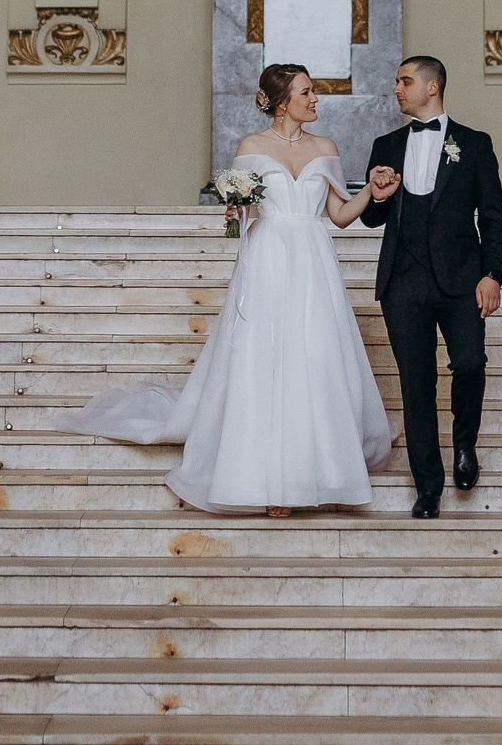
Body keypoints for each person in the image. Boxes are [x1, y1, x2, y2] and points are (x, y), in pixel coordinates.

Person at [64, 64, 392, 514]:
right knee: (267, 360)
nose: (315, 99)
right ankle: (272, 485)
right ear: (281, 101)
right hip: (268, 258)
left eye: (313, 91)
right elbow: (240, 221)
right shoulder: (251, 148)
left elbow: (337, 215)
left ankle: (320, 473)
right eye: (307, 92)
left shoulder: (325, 147)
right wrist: (234, 215)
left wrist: (373, 194)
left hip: (314, 260)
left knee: (315, 355)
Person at [359, 56, 502, 518]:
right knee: (415, 382)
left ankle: (465, 445)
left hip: (462, 279)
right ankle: (428, 486)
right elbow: (371, 216)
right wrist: (377, 192)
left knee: (469, 363)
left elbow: (494, 217)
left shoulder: (475, 144)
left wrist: (492, 274)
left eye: (405, 81)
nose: (397, 89)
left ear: (432, 86)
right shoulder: (386, 143)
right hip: (403, 279)